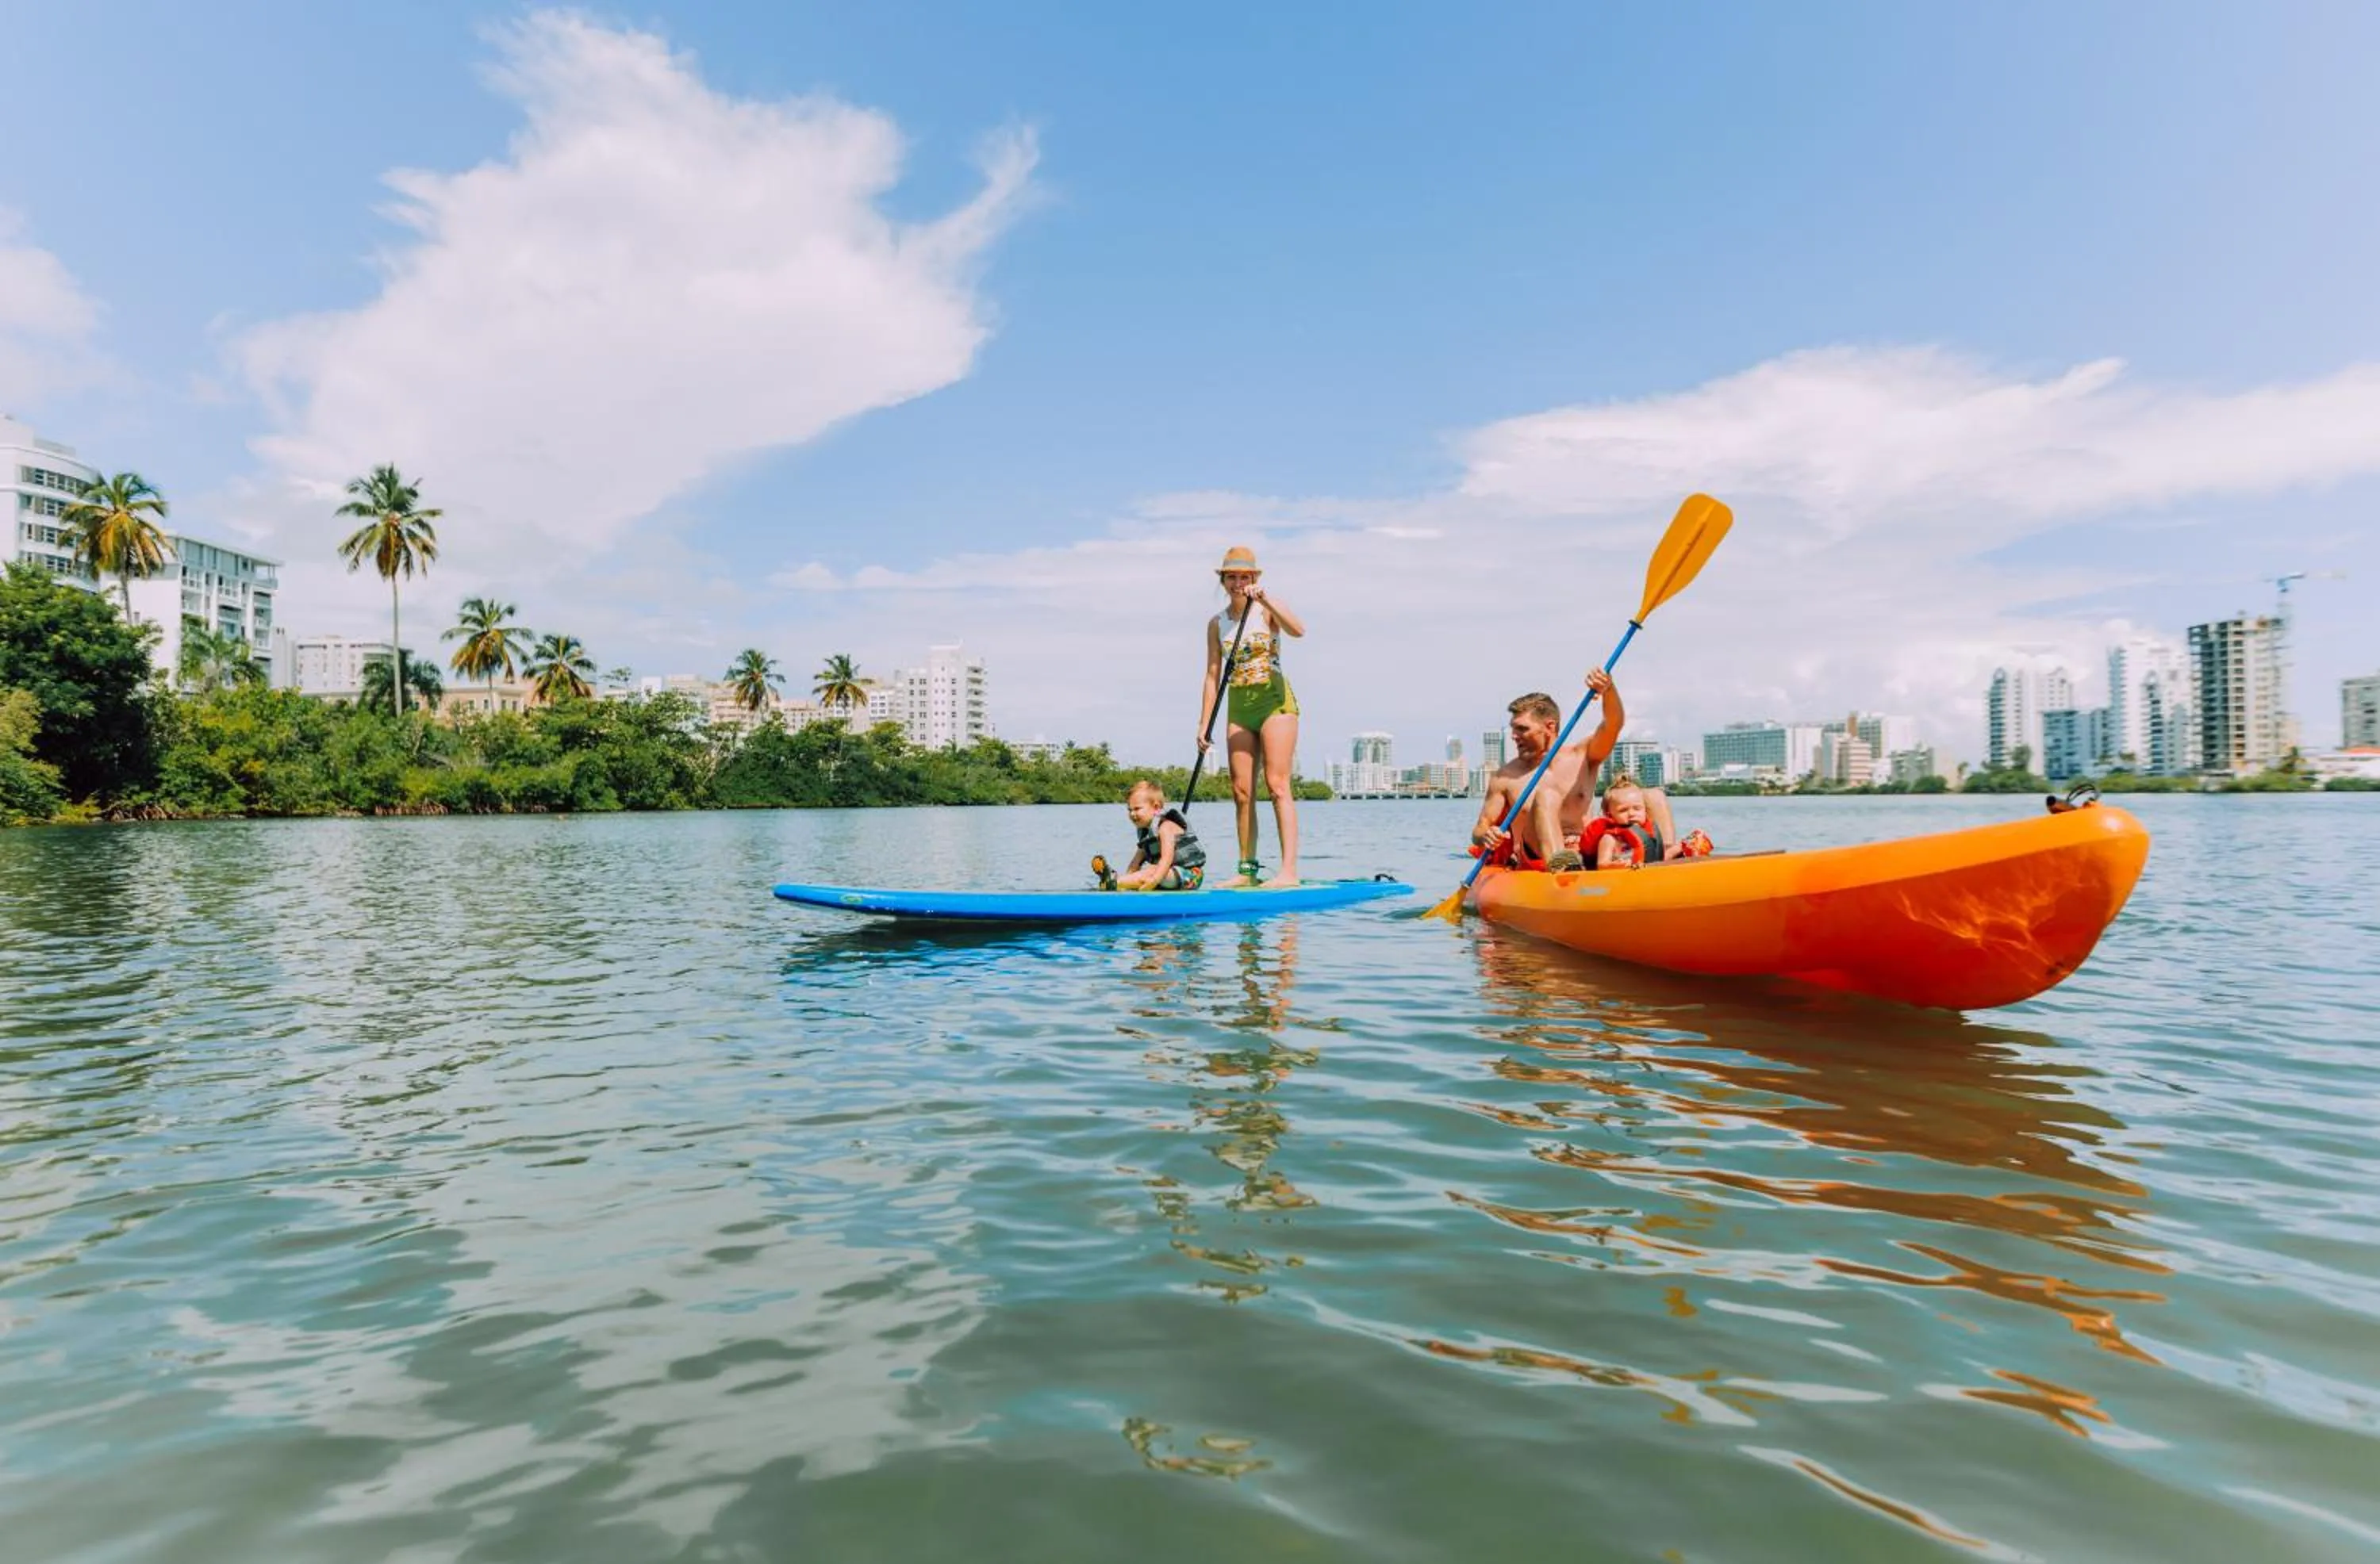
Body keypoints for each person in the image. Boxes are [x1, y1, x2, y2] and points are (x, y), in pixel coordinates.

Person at [1198, 546, 1304, 887]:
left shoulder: (1267, 611)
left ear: (1255, 578)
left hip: (1274, 702)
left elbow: (1298, 630)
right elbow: (1213, 675)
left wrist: (1267, 599)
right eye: (1232, 577)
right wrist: (1204, 724)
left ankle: (1288, 872)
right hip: (1239, 706)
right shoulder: (1217, 624)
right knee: (1241, 791)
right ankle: (1247, 871)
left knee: (1277, 785)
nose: (1238, 582)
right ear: (1223, 580)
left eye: (1245, 576)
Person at [1471, 670, 1626, 868]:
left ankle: (1671, 856)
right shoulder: (1505, 777)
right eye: (1513, 729)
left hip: (1584, 851)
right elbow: (1479, 829)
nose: (1514, 736)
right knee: (1547, 796)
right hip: (1534, 860)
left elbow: (1613, 724)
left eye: (1522, 729)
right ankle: (1561, 866)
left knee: (1653, 796)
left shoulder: (1583, 756)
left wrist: (1608, 689)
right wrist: (1487, 835)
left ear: (1550, 727)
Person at [1097, 778, 1207, 890]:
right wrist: (1129, 879)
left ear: (1156, 807)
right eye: (1129, 810)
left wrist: (1154, 880)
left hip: (1190, 877)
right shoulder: (1147, 834)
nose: (1132, 814)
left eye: (1137, 809)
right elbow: (1135, 864)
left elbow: (1167, 859)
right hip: (1163, 876)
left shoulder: (1166, 827)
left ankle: (1114, 882)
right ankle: (1115, 883)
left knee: (1153, 870)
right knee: (1147, 872)